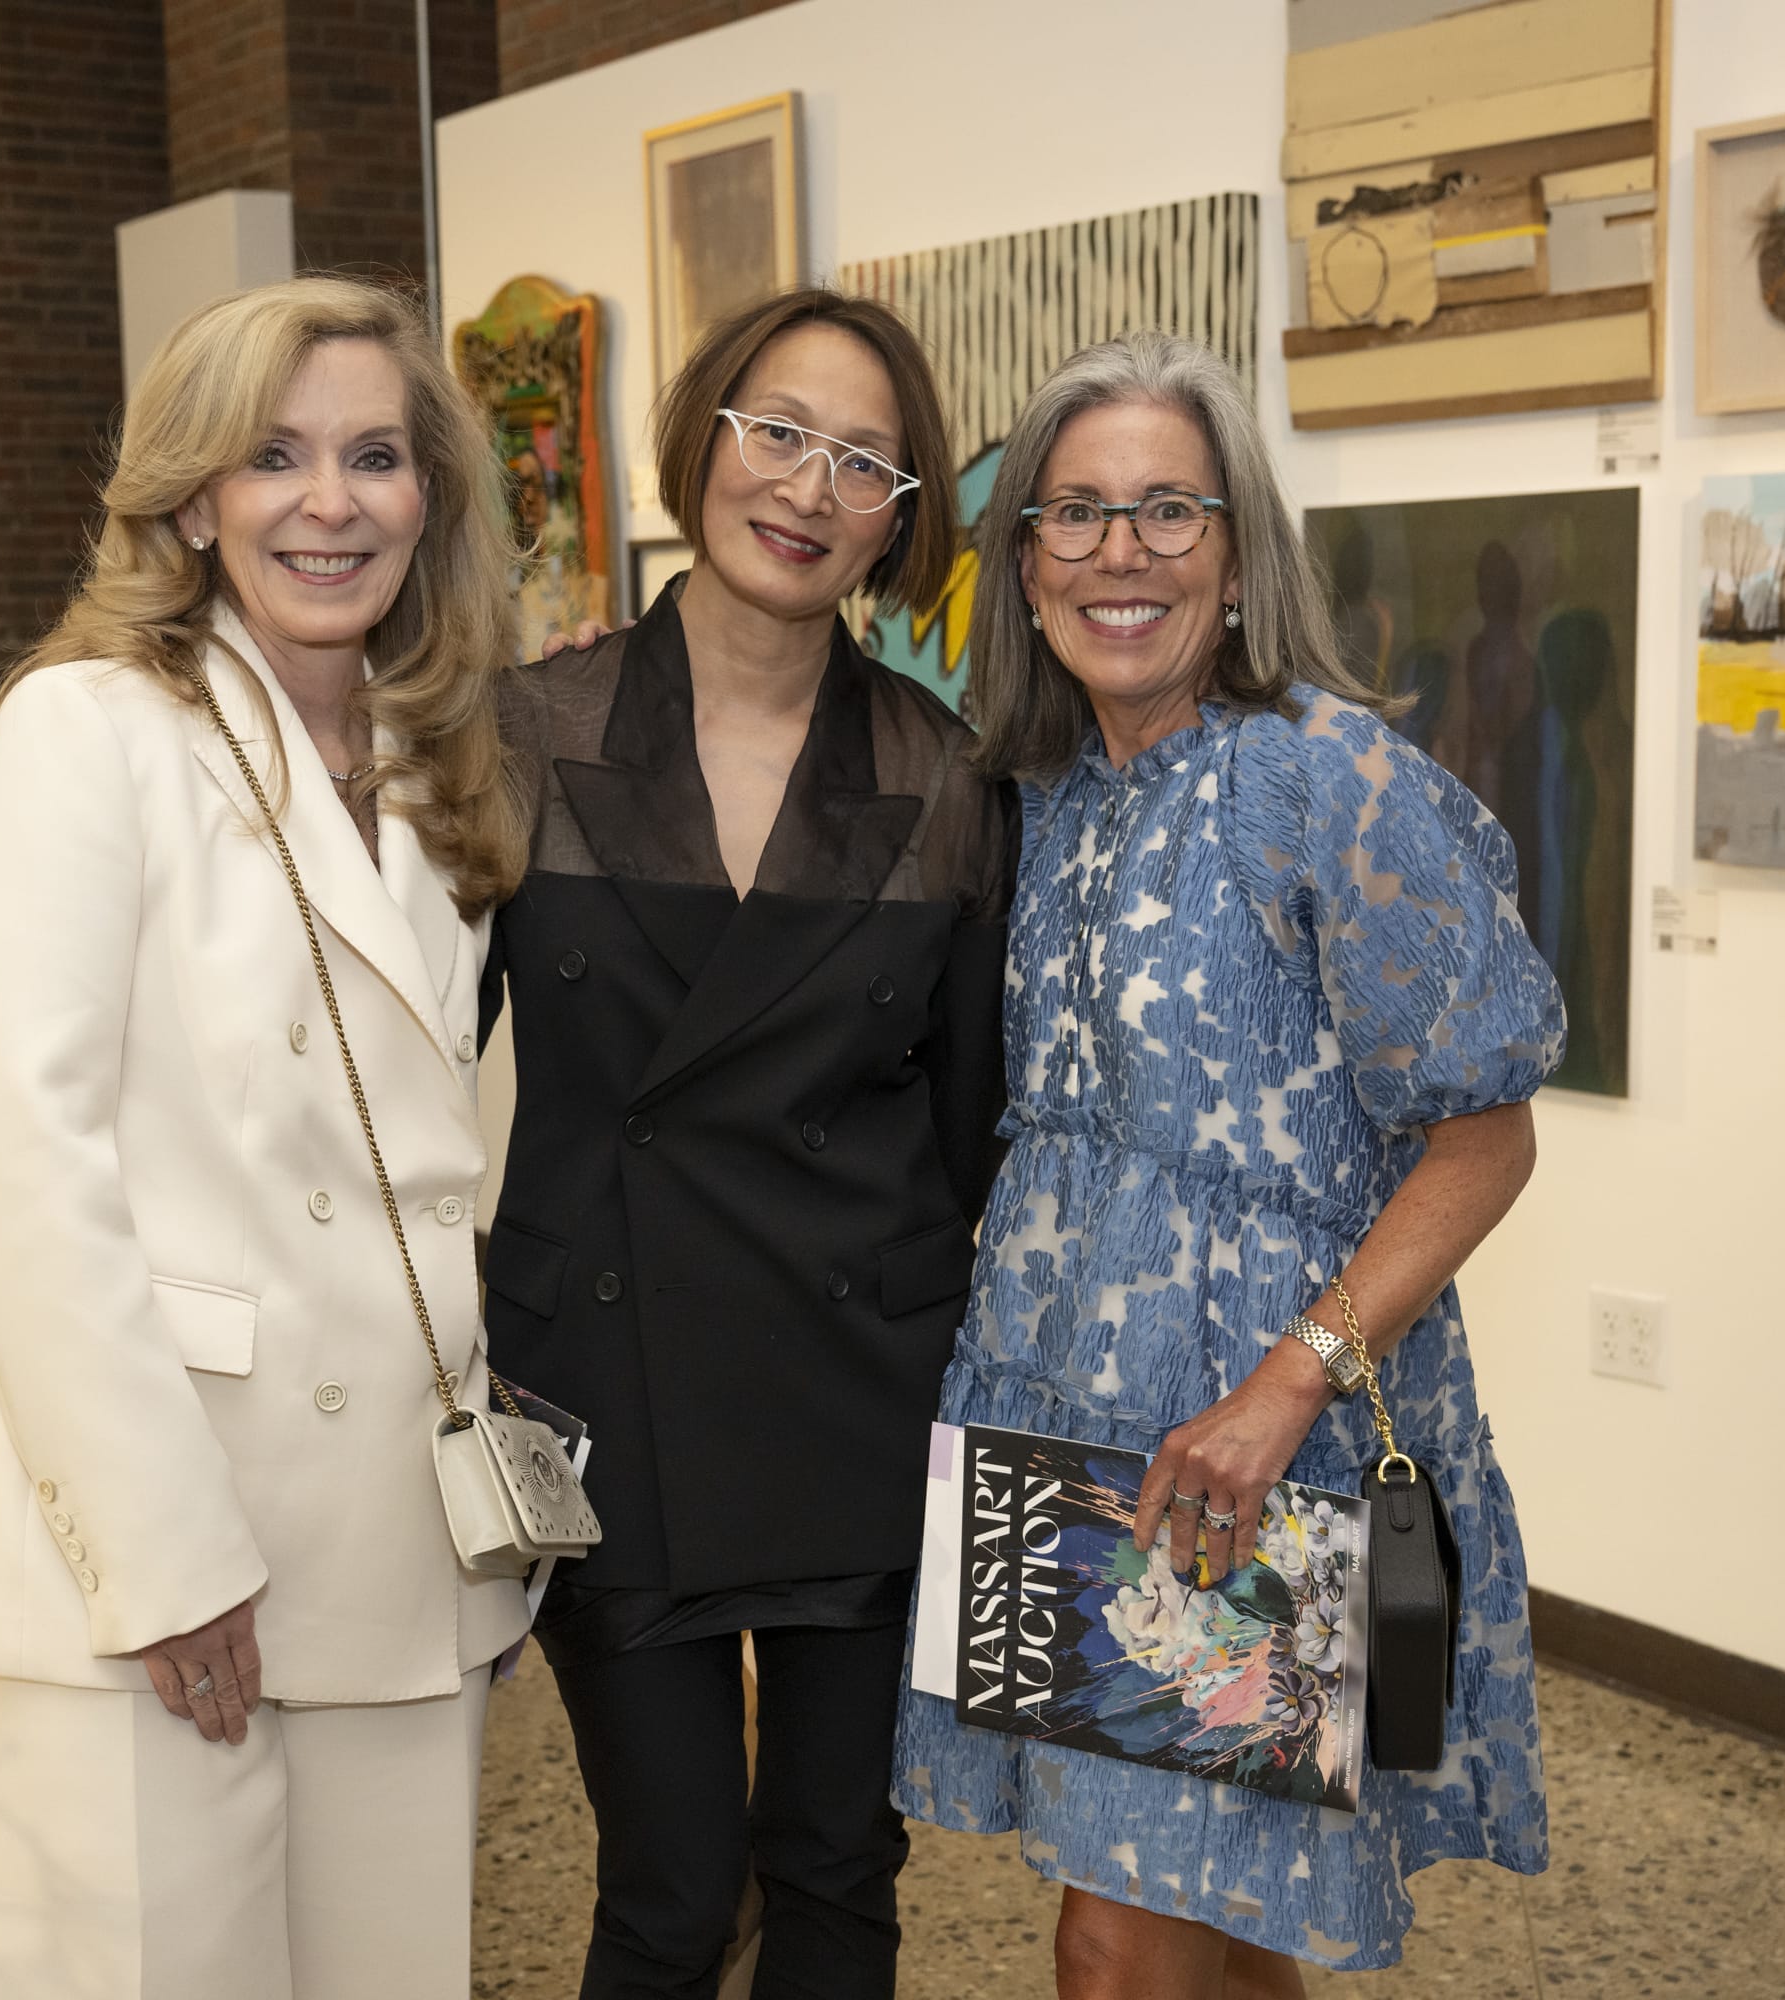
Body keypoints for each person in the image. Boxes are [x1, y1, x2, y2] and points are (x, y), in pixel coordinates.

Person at [893, 330, 1563, 1996]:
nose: (1121, 552)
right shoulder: (1037, 792)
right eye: (1078, 514)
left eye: (1169, 512)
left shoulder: (1325, 779)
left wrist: (1288, 1388)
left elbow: (1485, 1138)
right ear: (1025, 560)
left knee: (1116, 1938)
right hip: (1059, 1423)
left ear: (1245, 553)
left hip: (1240, 1460)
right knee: (1193, 1906)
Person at [0, 274, 530, 2000]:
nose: (330, 503)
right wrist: (166, 1561)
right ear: (192, 496)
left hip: (392, 1552)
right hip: (145, 1542)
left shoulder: (429, 754)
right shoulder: (88, 730)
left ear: (430, 497)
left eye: (376, 457)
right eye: (275, 455)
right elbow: (28, 1171)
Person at [479, 288, 1018, 2000]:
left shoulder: (943, 783)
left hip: (856, 1376)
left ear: (903, 515)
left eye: (864, 459)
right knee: (671, 1881)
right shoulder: (524, 737)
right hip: (601, 1384)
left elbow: (969, 1126)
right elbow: (406, 1083)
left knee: (839, 1869)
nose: (808, 486)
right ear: (702, 436)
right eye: (777, 430)